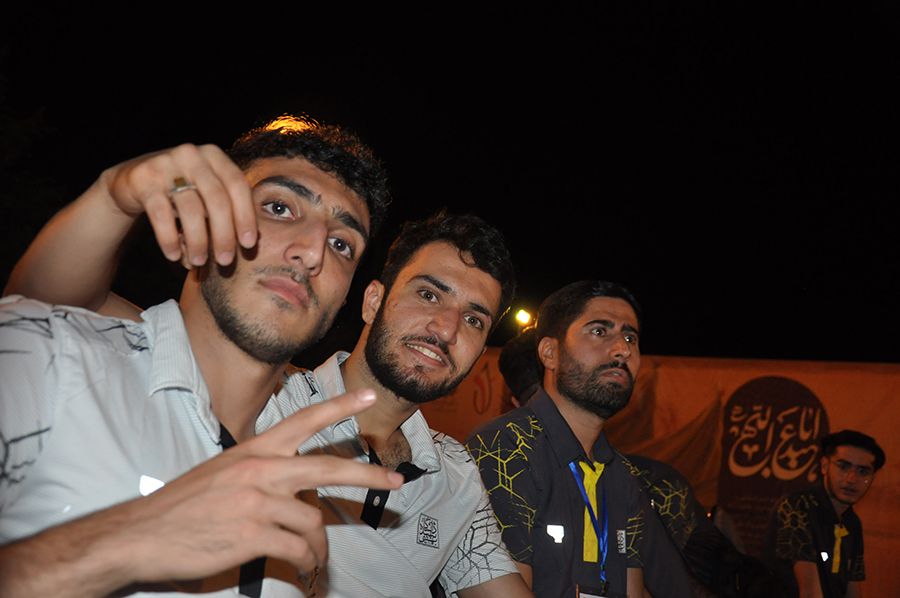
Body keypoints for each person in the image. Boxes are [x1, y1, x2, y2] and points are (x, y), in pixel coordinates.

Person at [0, 116, 404, 597]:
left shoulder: (295, 499)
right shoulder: (49, 356)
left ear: (346, 296)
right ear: (205, 221)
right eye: (279, 207)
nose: (313, 251)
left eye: (342, 244)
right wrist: (121, 540)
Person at [284, 211, 532, 597]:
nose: (446, 329)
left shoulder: (456, 477)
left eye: (473, 320)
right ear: (373, 301)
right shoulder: (273, 402)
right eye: (429, 295)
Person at [466, 280, 649, 598]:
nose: (623, 349)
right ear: (550, 353)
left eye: (630, 337)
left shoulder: (622, 474)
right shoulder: (503, 447)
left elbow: (632, 589)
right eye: (599, 331)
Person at [763, 430, 885, 598]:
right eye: (843, 467)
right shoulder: (797, 507)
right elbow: (809, 591)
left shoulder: (852, 521)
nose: (852, 479)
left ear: (872, 477)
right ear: (825, 466)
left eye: (863, 472)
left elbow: (852, 589)